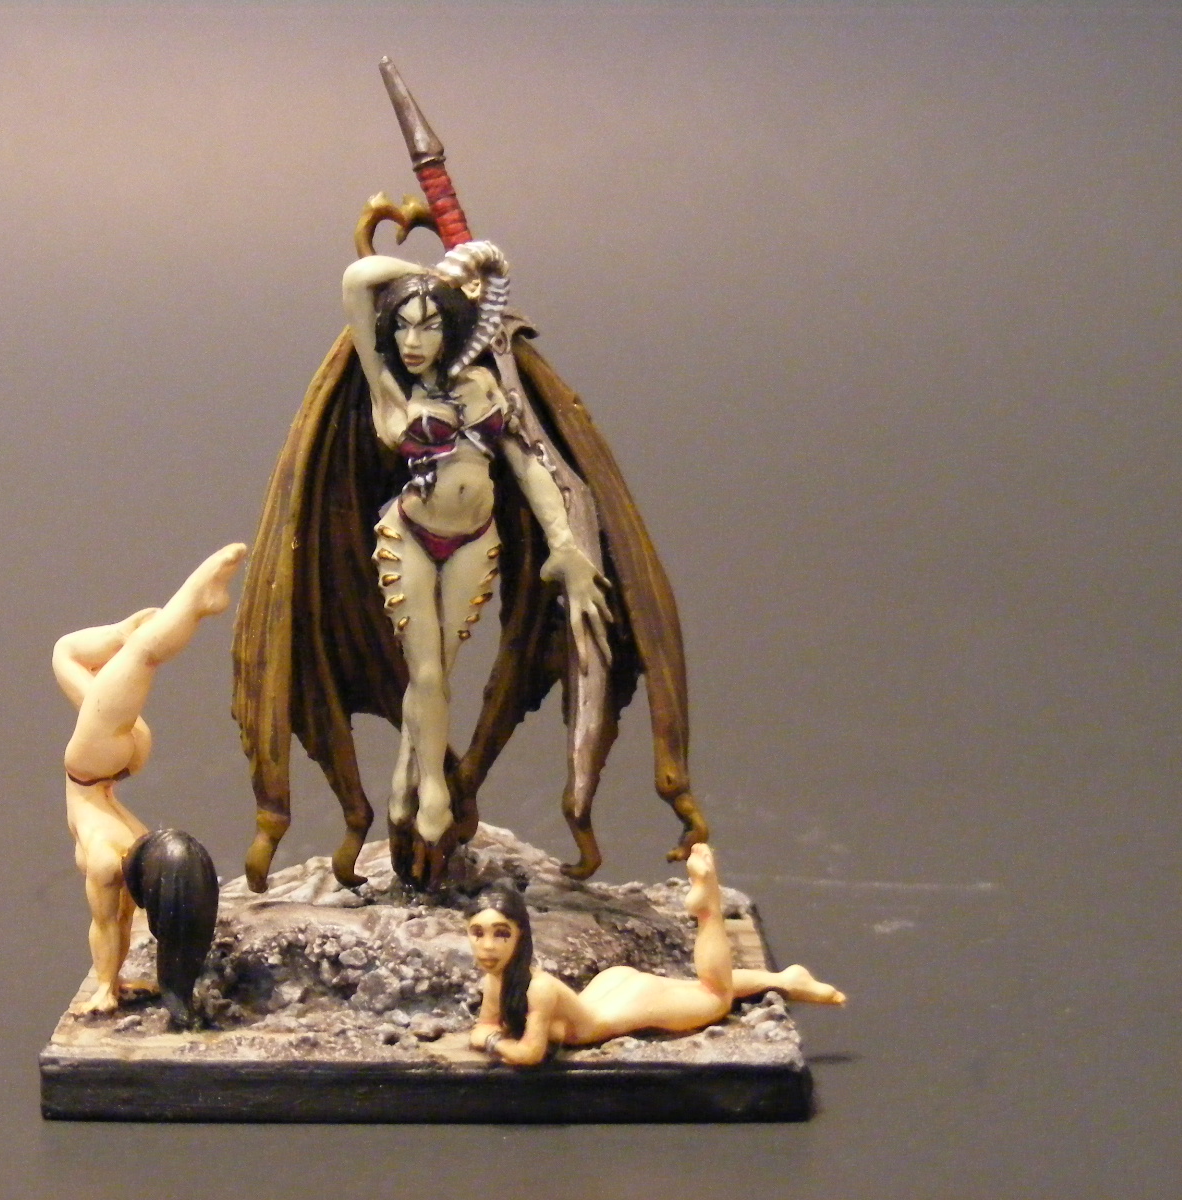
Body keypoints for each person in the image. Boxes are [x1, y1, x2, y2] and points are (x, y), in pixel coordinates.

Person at [339, 244, 611, 869]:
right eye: (402, 326)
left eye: (429, 326)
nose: (412, 341)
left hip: (475, 539)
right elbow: (357, 280)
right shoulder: (388, 390)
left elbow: (528, 465)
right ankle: (433, 793)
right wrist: (439, 280)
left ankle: (406, 775)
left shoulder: (486, 386)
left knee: (438, 673)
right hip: (409, 534)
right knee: (427, 674)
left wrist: (564, 544)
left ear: (453, 330)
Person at [52, 543, 245, 1015]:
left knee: (76, 654)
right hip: (99, 767)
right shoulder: (117, 848)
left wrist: (106, 987)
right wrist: (109, 984)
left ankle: (137, 628)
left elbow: (109, 924)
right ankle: (192, 603)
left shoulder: (119, 849)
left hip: (101, 767)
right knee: (137, 656)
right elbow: (113, 923)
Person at [466, 844, 846, 1065]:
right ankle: (785, 979)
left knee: (715, 997)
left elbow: (529, 1054)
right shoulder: (497, 980)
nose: (487, 946)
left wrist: (492, 1040)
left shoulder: (538, 990)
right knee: (701, 987)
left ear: (520, 938)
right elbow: (485, 1028)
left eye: (501, 934)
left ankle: (709, 908)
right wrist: (491, 1035)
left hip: (624, 1006)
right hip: (604, 993)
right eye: (477, 933)